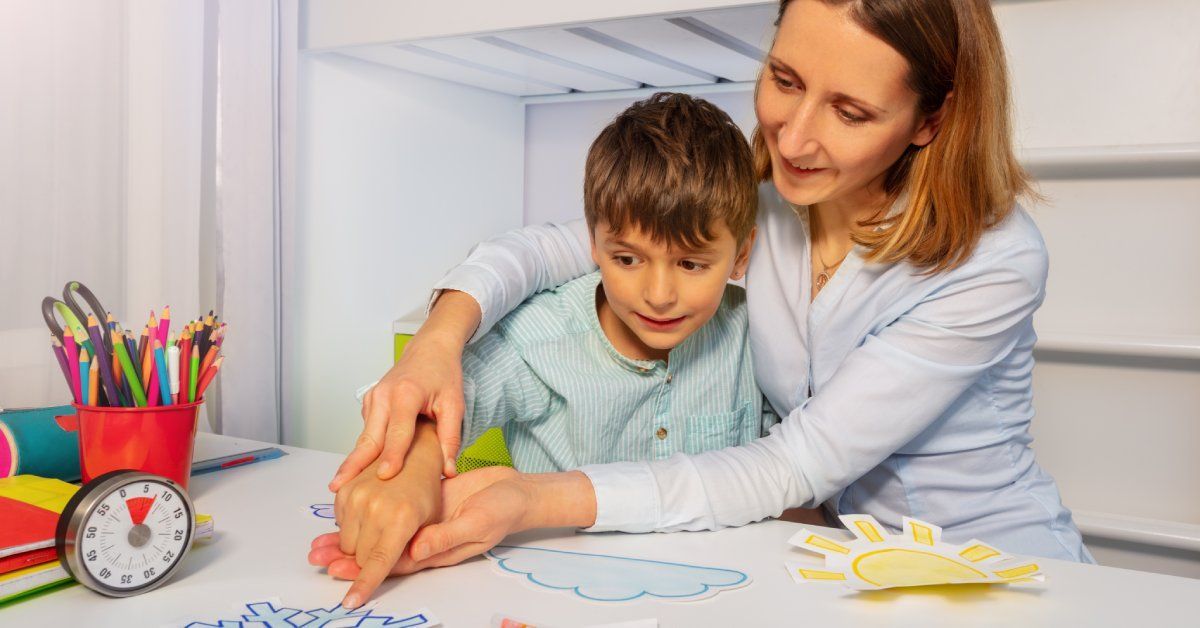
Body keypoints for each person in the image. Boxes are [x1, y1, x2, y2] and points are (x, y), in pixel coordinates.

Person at [317, 0, 1094, 609]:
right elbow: (558, 246)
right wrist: (438, 343)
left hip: (992, 564)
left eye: (850, 113)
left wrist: (533, 498)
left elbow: (795, 462)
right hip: (836, 564)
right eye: (785, 81)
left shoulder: (995, 260)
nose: (793, 138)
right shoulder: (765, 209)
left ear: (930, 119)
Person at [314, 92, 815, 605]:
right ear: (592, 246)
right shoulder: (542, 336)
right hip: (550, 599)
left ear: (742, 255)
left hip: (723, 599)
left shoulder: (757, 335)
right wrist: (413, 473)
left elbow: (788, 468)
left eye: (691, 265)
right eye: (627, 259)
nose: (659, 295)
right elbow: (437, 400)